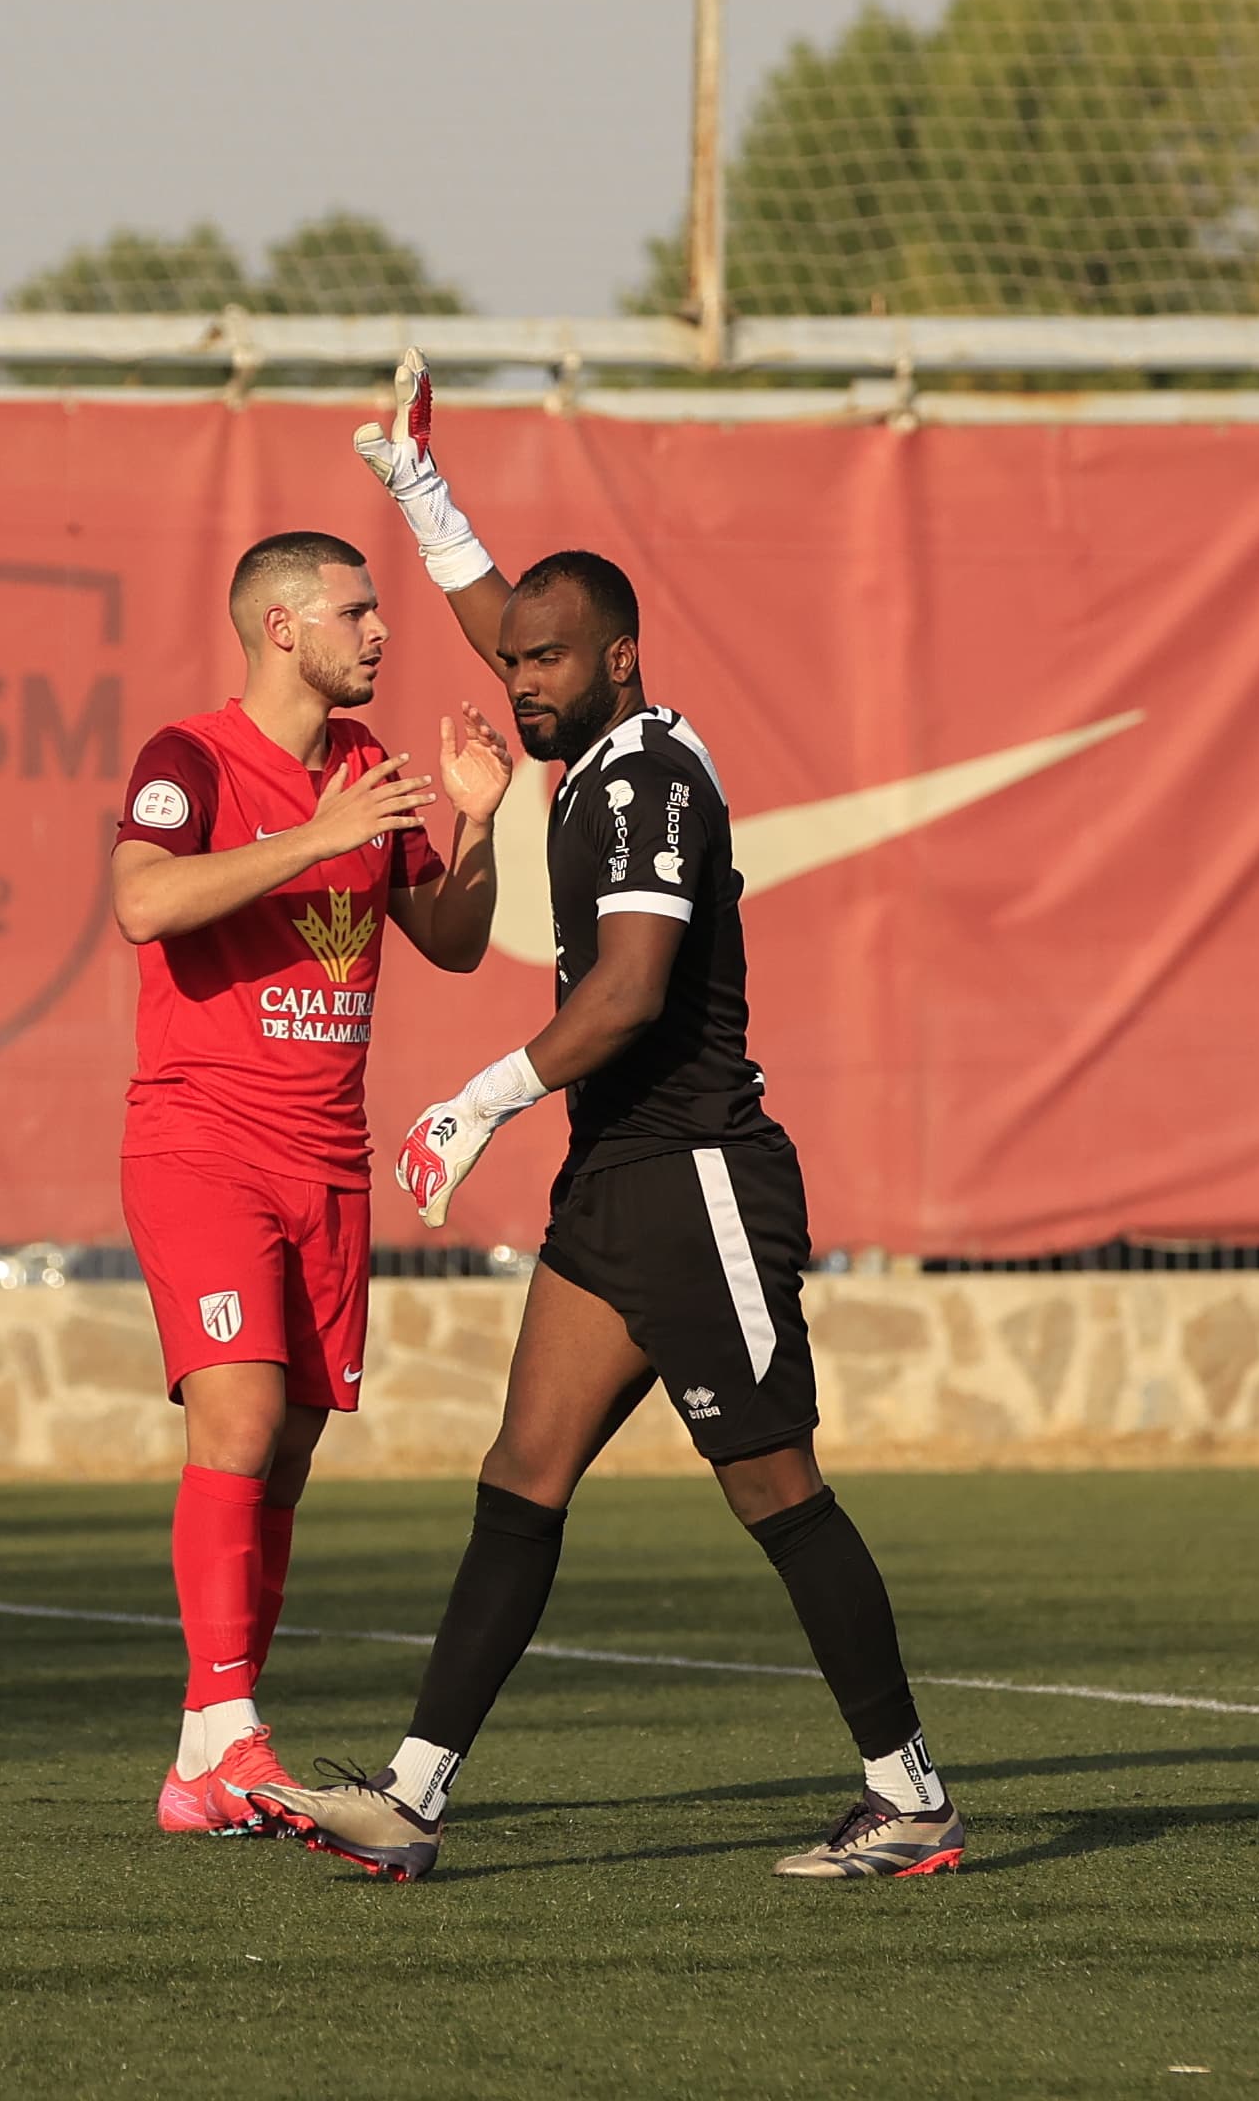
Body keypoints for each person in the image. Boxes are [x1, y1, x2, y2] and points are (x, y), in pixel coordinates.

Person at [250, 356, 964, 1883]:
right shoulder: (589, 747)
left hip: (698, 1178)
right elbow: (507, 615)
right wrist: (424, 496)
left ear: (622, 663)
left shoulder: (650, 781)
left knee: (776, 1491)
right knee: (522, 1477)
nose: (523, 684)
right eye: (517, 664)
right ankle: (417, 1796)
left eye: (554, 665)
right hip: (619, 1184)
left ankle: (909, 1797)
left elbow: (631, 994)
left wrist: (480, 1099)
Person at [112, 528, 512, 1835]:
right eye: (357, 611)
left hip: (329, 1166)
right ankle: (232, 1733)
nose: (382, 633)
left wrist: (473, 818)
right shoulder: (190, 759)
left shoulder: (367, 771)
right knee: (232, 1426)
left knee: (281, 1459)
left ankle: (202, 1759)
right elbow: (143, 906)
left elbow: (449, 942)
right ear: (283, 628)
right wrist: (312, 834)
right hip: (203, 1145)